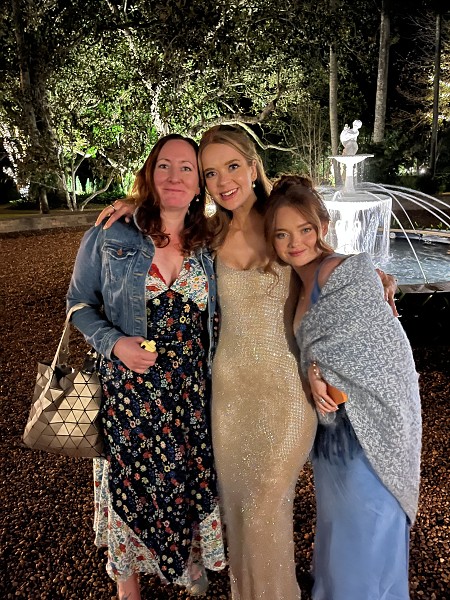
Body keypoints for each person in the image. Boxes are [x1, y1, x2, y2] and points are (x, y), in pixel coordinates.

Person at [97, 125, 398, 600]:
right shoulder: (206, 234)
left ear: (254, 166)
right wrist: (134, 204)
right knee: (238, 513)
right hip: (229, 396)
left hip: (285, 394)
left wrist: (370, 275)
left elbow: (325, 261)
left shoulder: (282, 222)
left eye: (233, 166)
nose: (223, 181)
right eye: (211, 173)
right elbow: (164, 224)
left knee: (265, 508)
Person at [67, 134, 225, 600]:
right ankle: (128, 586)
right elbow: (77, 304)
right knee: (130, 487)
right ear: (150, 174)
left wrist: (349, 270)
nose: (175, 176)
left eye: (187, 168)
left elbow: (284, 248)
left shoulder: (212, 242)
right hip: (129, 396)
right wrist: (115, 344)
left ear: (199, 184)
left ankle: (185, 563)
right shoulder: (110, 233)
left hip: (190, 397)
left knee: (184, 482)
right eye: (164, 166)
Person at [264, 174, 422, 600]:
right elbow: (322, 349)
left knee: (366, 527)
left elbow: (384, 350)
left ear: (323, 227)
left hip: (370, 425)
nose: (295, 242)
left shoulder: (342, 271)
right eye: (282, 234)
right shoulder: (296, 281)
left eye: (304, 229)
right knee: (340, 527)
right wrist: (314, 370)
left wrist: (318, 368)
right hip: (334, 429)